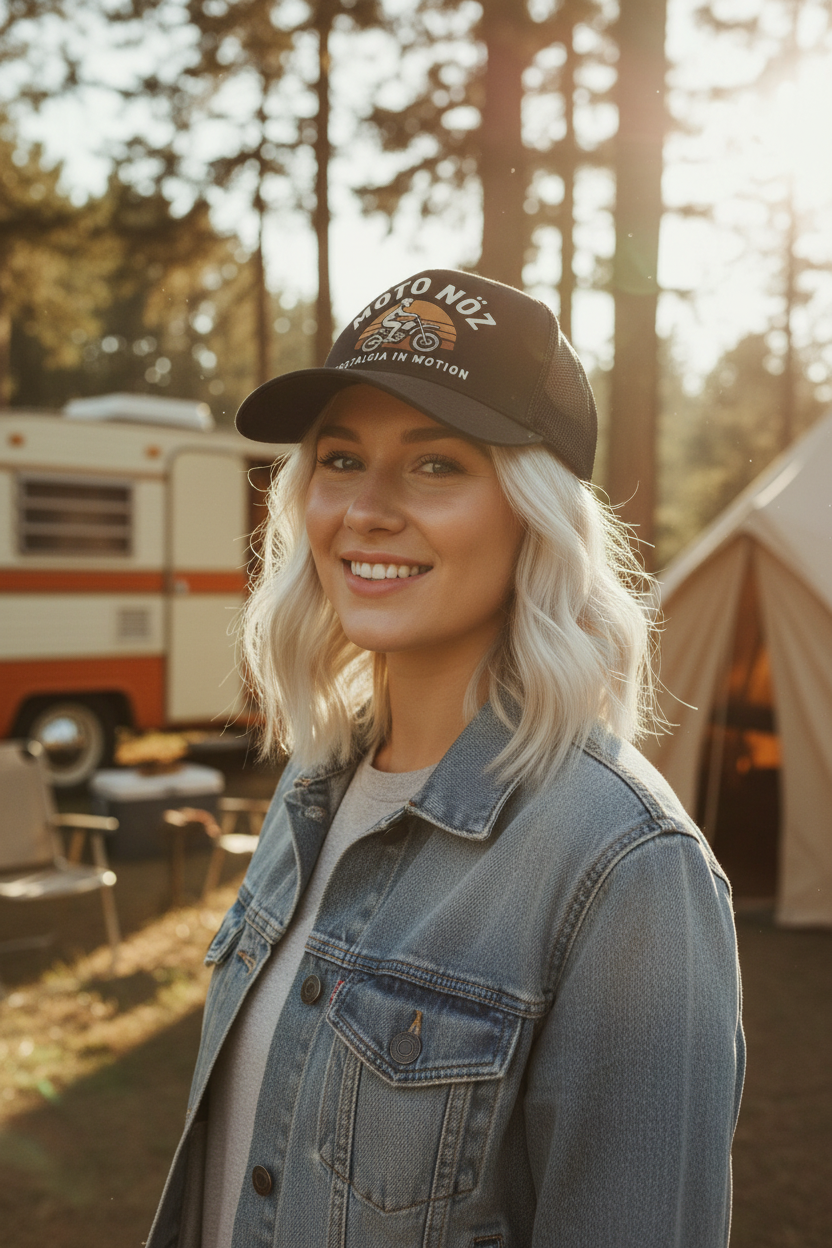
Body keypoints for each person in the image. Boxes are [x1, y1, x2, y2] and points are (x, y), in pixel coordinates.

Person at [147, 269, 745, 1248]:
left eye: (436, 466)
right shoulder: (310, 787)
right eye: (340, 459)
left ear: (533, 515)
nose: (367, 509)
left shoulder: (626, 869)